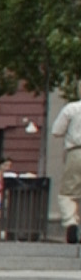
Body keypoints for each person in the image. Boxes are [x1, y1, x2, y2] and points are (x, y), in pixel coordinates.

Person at [51, 94, 81, 243]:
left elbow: (56, 131)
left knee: (68, 193)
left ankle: (71, 223)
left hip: (76, 152)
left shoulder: (72, 108)